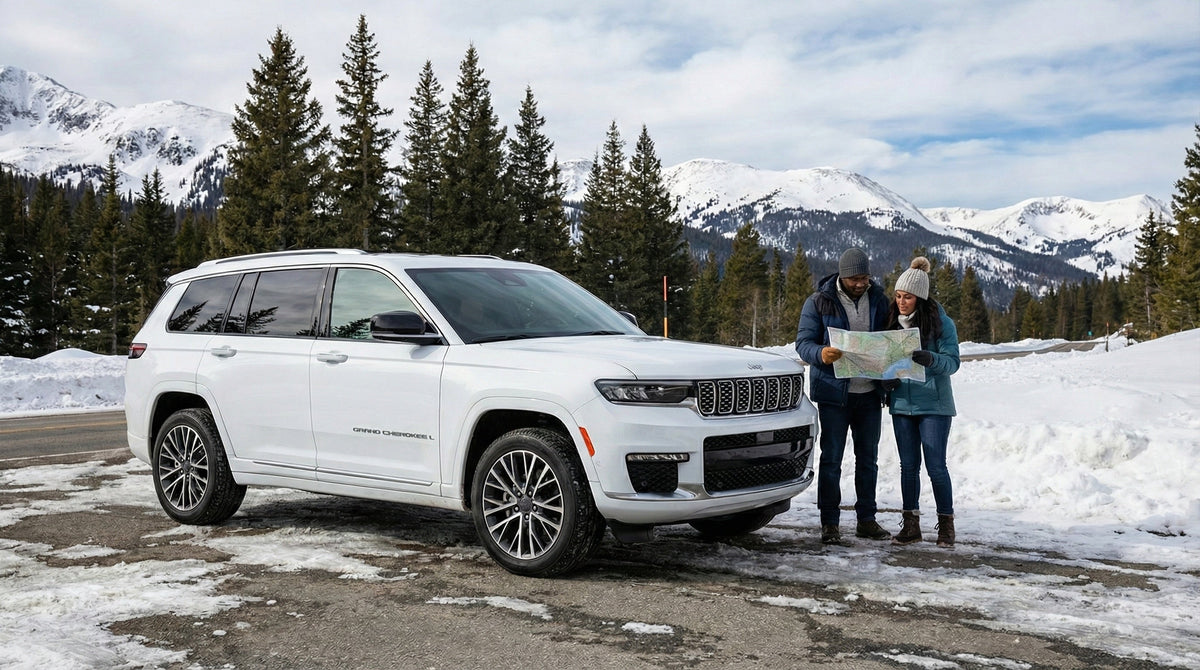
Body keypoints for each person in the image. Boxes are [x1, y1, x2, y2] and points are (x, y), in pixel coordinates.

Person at [795, 248, 892, 545]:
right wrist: (821, 354)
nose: (861, 283)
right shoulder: (819, 302)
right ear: (843, 276)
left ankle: (867, 519)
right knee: (832, 459)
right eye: (855, 279)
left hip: (869, 394)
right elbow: (803, 344)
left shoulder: (879, 299)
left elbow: (890, 338)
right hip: (834, 395)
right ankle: (830, 523)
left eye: (865, 278)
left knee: (868, 460)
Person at [882, 257, 961, 548]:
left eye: (908, 297)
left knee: (936, 466)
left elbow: (953, 363)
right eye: (898, 296)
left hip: (934, 405)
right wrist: (885, 381)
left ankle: (946, 525)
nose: (902, 302)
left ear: (921, 298)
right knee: (908, 467)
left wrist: (932, 359)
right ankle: (911, 525)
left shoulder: (941, 323)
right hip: (901, 404)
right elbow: (883, 361)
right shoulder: (891, 323)